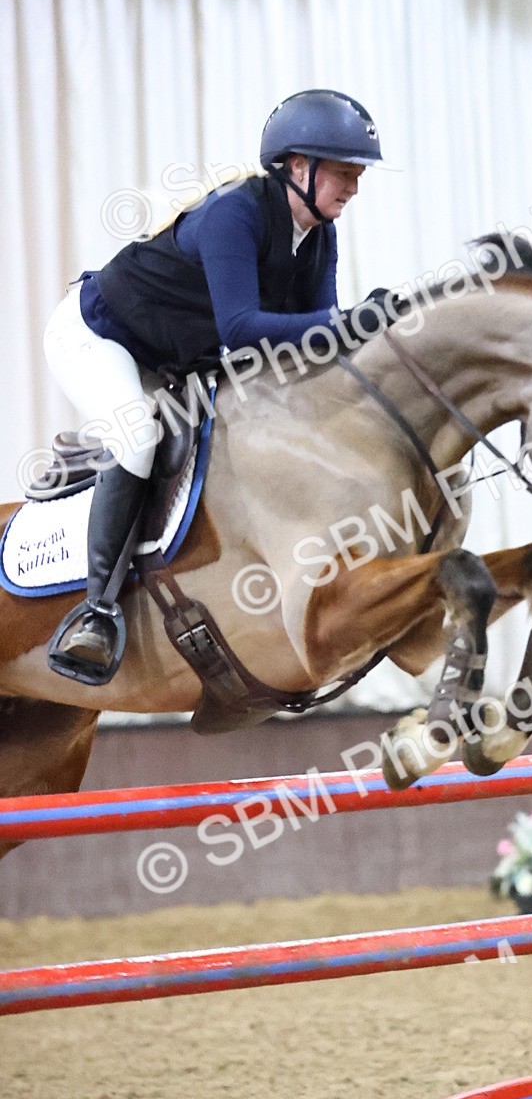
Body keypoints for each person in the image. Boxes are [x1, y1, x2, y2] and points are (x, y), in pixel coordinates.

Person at [44, 88, 391, 684]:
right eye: (344, 173)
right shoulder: (236, 214)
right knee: (137, 440)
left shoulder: (319, 235)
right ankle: (94, 612)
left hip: (176, 356)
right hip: (97, 335)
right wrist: (353, 321)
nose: (353, 188)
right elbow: (242, 329)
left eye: (357, 175)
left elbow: (318, 348)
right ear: (299, 167)